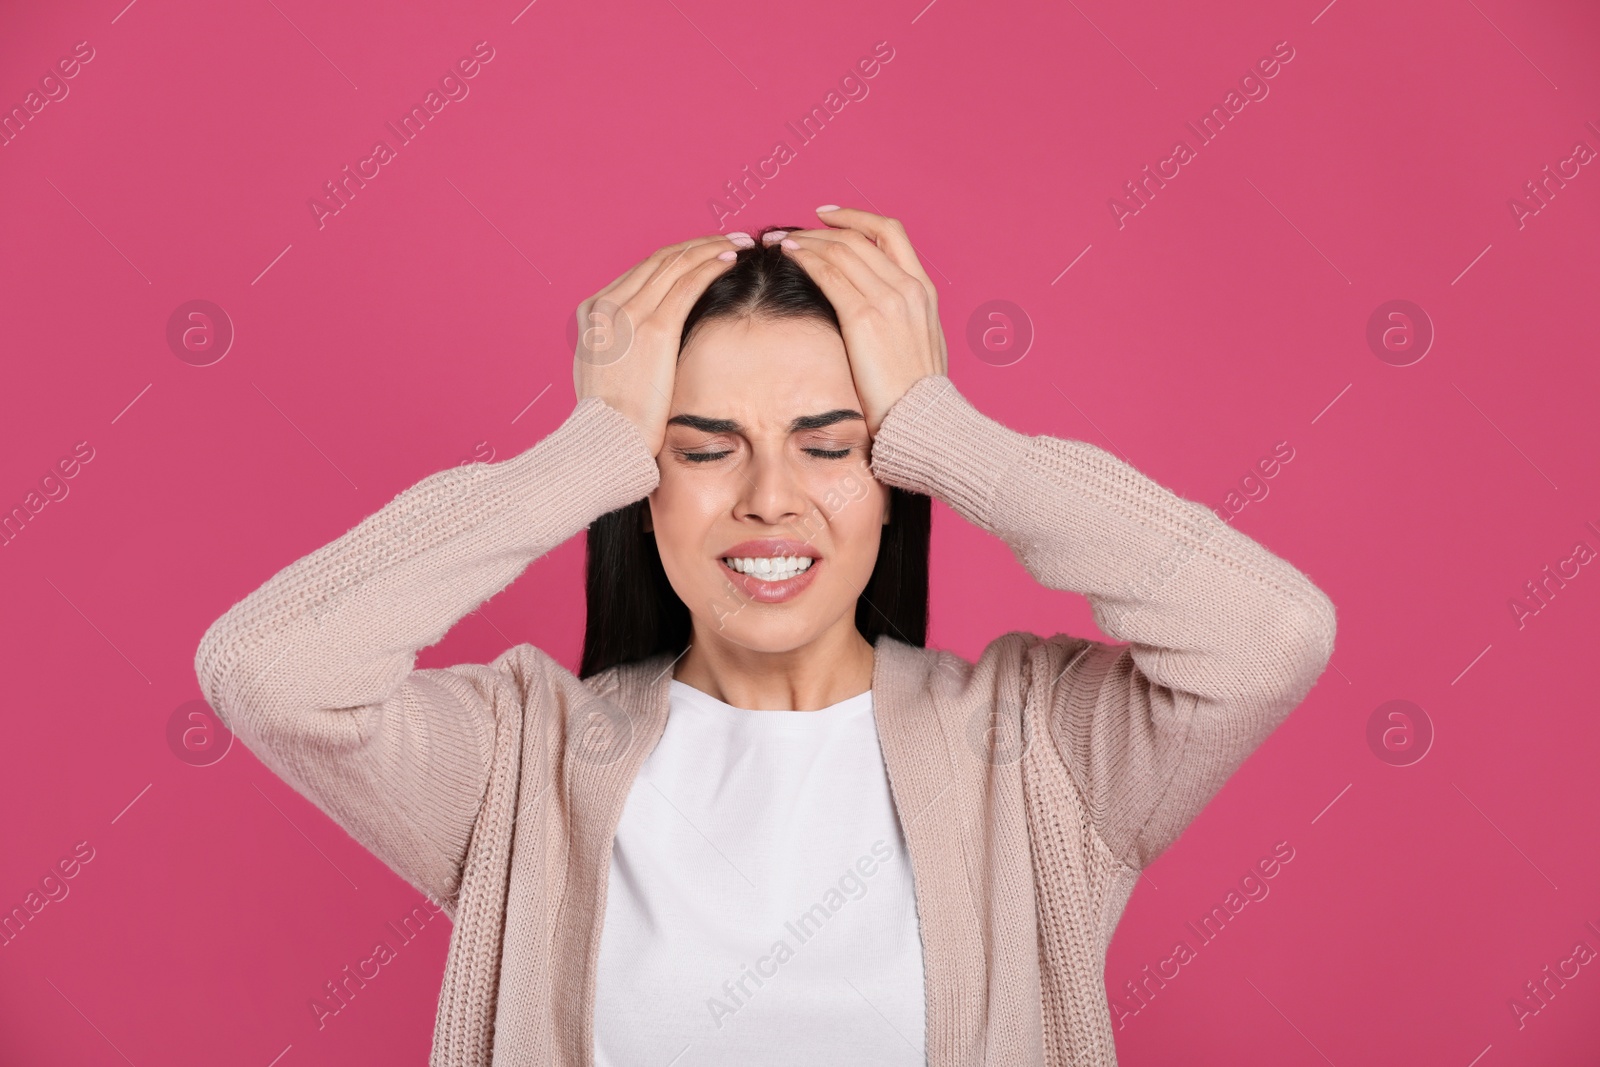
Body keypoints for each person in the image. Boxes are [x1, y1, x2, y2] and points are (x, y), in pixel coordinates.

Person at [194, 206, 1336, 1066]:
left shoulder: (1038, 749)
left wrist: (945, 427)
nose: (770, 498)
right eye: (702, 448)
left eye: (832, 445)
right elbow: (269, 669)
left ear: (897, 476)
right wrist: (586, 450)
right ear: (645, 483)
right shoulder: (524, 761)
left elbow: (1266, 631)